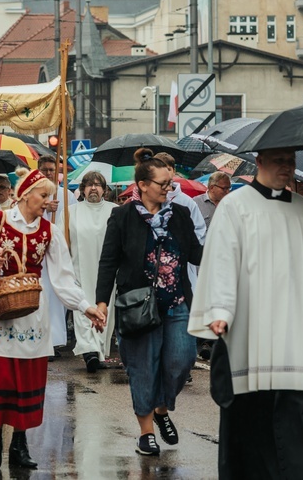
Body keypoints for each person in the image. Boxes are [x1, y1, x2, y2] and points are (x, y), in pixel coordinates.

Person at [188, 148, 303, 479]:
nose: (288, 166)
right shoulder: (234, 208)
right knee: (250, 438)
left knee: (296, 436)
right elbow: (221, 260)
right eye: (280, 159)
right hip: (248, 340)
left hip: (294, 341)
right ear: (260, 162)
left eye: (291, 160)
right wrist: (220, 310)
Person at [0, 167, 106, 469]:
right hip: (0, 312)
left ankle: (20, 442)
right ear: (26, 194)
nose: (47, 202)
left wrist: (87, 307)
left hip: (33, 313)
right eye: (43, 195)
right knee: (1, 377)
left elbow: (64, 279)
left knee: (27, 380)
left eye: (49, 197)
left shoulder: (50, 232)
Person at [96, 148, 203, 456]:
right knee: (143, 368)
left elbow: (195, 254)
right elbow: (109, 261)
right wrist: (101, 301)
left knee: (181, 361)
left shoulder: (179, 214)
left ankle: (161, 408)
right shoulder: (122, 216)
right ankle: (146, 433)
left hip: (177, 301)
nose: (168, 190)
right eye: (162, 184)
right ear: (143, 184)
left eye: (170, 184)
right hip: (138, 304)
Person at [57, 171, 117, 372]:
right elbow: (60, 242)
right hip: (79, 268)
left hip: (107, 271)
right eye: (89, 185)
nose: (93, 188)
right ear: (82, 190)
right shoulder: (70, 212)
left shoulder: (114, 210)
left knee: (104, 308)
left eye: (98, 185)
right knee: (82, 307)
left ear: (104, 190)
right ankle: (89, 351)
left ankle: (99, 350)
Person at [37, 154, 78, 351]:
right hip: (39, 253)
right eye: (44, 170)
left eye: (52, 170)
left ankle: (56, 340)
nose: (49, 173)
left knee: (57, 295)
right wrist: (45, 209)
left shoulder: (66, 195)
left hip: (58, 251)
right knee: (42, 296)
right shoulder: (34, 193)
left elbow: (72, 222)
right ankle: (42, 340)